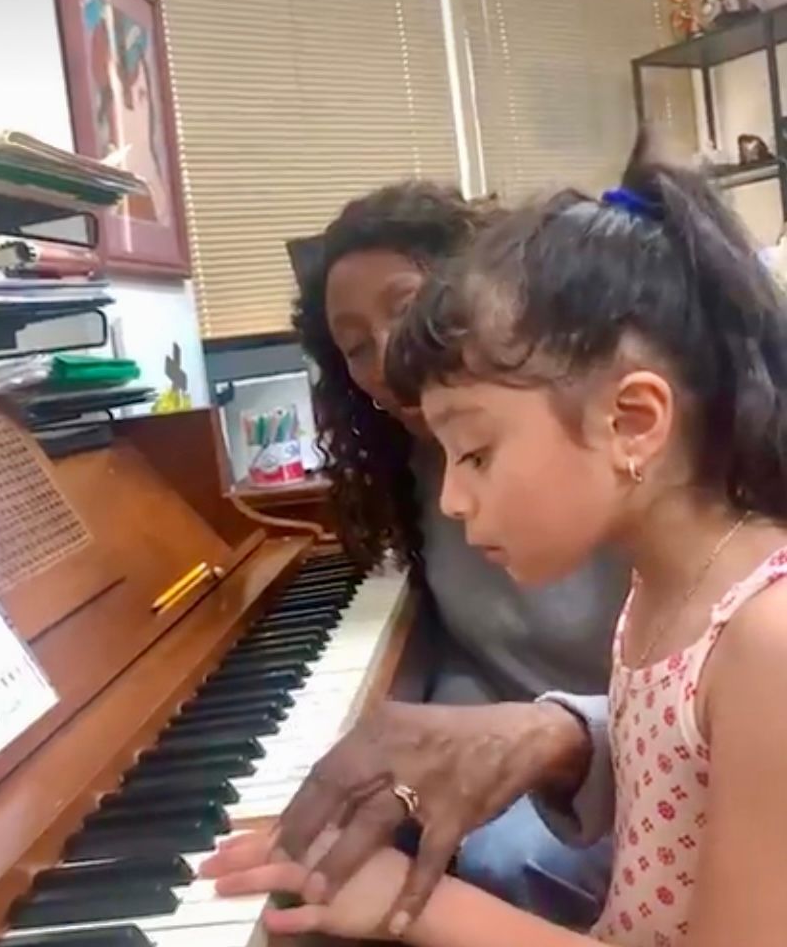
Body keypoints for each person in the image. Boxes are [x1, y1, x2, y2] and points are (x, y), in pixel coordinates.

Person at [202, 130, 787, 947]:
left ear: (633, 422)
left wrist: (419, 904)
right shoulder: (660, 595)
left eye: (475, 452)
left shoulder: (766, 642)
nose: (450, 497)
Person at [286, 182, 626, 921]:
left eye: (404, 307)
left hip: (630, 763)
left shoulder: (601, 442)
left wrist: (542, 734)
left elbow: (714, 688)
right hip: (535, 745)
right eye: (353, 345)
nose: (386, 355)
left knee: (496, 858)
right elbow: (469, 648)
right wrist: (426, 740)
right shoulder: (410, 467)